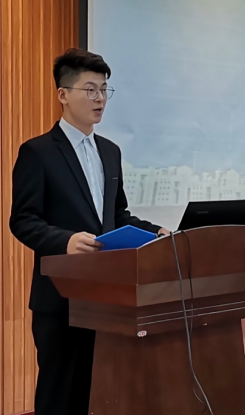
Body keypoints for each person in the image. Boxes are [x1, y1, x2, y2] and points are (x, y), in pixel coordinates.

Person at [9, 48, 170, 415]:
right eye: (90, 89)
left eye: (104, 90)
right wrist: (65, 240)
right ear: (63, 94)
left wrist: (156, 231)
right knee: (59, 394)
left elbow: (116, 215)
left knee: (99, 392)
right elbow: (23, 220)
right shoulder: (38, 152)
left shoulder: (110, 152)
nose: (100, 99)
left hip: (107, 298)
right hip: (60, 298)